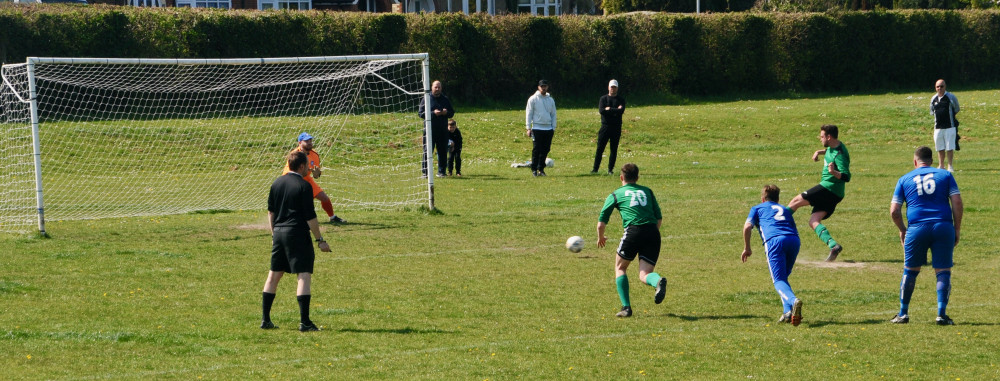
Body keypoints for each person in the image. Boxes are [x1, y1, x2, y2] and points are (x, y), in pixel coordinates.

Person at [889, 146, 963, 325]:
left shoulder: (904, 179)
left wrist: (902, 229)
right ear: (932, 161)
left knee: (910, 270)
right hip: (942, 226)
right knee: (943, 271)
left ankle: (903, 313)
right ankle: (941, 315)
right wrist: (957, 229)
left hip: (916, 229)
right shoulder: (945, 175)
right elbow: (957, 202)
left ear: (915, 162)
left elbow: (894, 211)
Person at [262, 151, 332, 332]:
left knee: (274, 275)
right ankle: (305, 322)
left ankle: (265, 320)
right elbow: (310, 217)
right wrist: (320, 240)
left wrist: (274, 234)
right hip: (297, 234)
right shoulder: (304, 186)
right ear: (301, 166)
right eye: (307, 165)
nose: (309, 168)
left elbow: (271, 212)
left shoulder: (276, 182)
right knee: (303, 275)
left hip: (278, 233)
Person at [597, 163, 667, 318]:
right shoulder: (647, 191)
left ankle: (626, 308)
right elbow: (659, 218)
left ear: (621, 177)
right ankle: (657, 282)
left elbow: (601, 223)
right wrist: (650, 233)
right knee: (645, 274)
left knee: (620, 268)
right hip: (653, 232)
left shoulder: (616, 194)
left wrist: (601, 237)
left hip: (633, 232)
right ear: (637, 177)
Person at [742, 185, 804, 326]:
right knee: (783, 278)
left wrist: (747, 248)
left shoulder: (757, 208)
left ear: (763, 199)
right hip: (794, 240)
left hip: (775, 241)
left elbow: (747, 227)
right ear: (778, 199)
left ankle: (793, 301)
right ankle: (787, 312)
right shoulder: (784, 209)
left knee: (778, 280)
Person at [788, 124, 851, 262]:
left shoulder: (840, 154)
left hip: (829, 188)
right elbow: (830, 151)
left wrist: (834, 172)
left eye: (822, 136)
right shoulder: (833, 147)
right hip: (835, 194)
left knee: (795, 202)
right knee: (814, 221)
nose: (820, 138)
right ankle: (833, 246)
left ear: (829, 137)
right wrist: (819, 151)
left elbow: (847, 176)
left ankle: (776, 223)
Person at [283, 132, 346, 224]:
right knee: (296, 203)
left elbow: (316, 174)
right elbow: (293, 173)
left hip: (306, 179)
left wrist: (317, 174)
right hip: (291, 180)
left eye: (310, 140)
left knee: (324, 198)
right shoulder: (294, 155)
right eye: (306, 141)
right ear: (300, 143)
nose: (309, 143)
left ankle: (332, 217)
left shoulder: (314, 154)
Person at [418, 80, 455, 177]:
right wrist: (433, 113)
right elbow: (420, 113)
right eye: (435, 87)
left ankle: (442, 172)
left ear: (441, 88)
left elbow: (452, 112)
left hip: (442, 130)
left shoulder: (445, 99)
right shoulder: (426, 98)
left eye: (439, 87)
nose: (437, 89)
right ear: (432, 87)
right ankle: (425, 172)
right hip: (429, 130)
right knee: (427, 150)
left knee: (442, 151)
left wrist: (446, 113)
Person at [593, 79, 626, 175]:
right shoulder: (603, 99)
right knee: (600, 148)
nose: (613, 89)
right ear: (608, 87)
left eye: (615, 87)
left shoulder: (621, 99)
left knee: (614, 149)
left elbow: (621, 111)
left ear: (617, 88)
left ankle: (610, 169)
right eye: (611, 87)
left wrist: (609, 109)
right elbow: (602, 111)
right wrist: (615, 110)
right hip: (605, 127)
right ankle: (595, 169)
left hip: (616, 127)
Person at [525, 79, 557, 177]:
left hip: (548, 129)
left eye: (545, 86)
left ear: (547, 87)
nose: (544, 88)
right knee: (536, 149)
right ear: (538, 87)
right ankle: (534, 169)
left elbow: (553, 114)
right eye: (542, 86)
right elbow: (529, 113)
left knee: (545, 149)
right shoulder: (533, 99)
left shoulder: (550, 100)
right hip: (537, 128)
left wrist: (553, 127)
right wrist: (528, 127)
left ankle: (541, 169)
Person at [930, 79, 960, 172]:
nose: (940, 88)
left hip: (950, 127)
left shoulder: (950, 97)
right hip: (938, 127)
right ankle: (941, 165)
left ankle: (950, 166)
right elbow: (932, 111)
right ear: (935, 88)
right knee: (940, 147)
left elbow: (957, 108)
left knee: (949, 147)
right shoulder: (933, 99)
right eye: (937, 87)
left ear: (945, 87)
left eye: (941, 86)